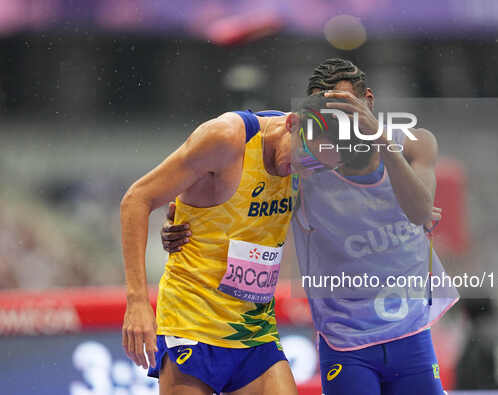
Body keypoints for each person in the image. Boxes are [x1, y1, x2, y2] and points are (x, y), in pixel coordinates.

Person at [161, 58, 459, 395]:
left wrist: (378, 138)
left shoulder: (413, 144)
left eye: (344, 110)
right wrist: (186, 218)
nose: (334, 124)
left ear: (368, 102)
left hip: (410, 333)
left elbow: (419, 211)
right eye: (323, 113)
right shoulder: (301, 161)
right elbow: (235, 166)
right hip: (345, 340)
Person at [120, 109, 299, 395]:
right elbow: (136, 199)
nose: (300, 169)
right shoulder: (226, 138)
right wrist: (137, 302)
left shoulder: (316, 154)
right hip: (192, 322)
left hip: (254, 329)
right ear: (293, 123)